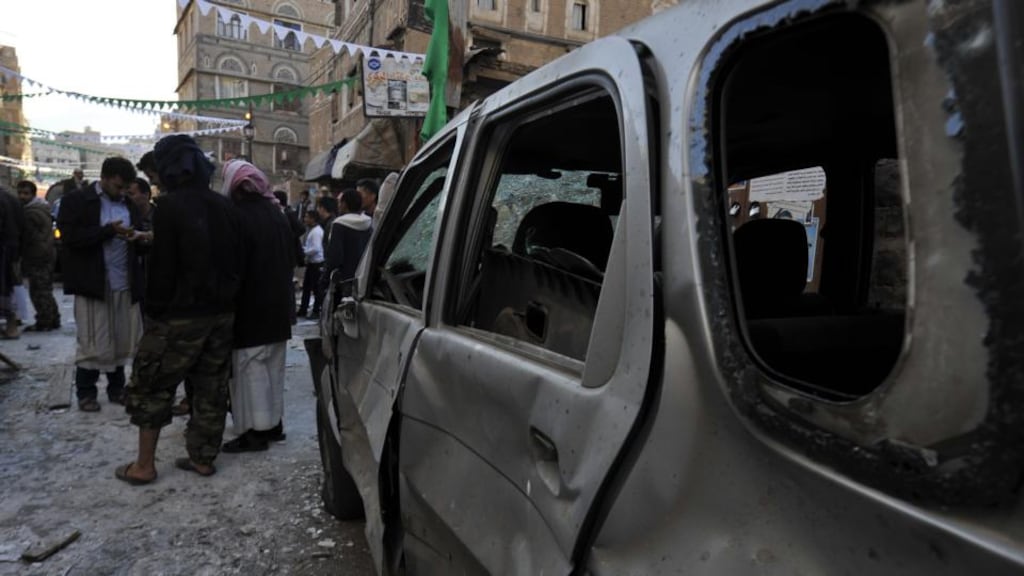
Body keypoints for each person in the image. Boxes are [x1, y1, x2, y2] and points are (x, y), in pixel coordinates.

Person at [117, 135, 242, 483]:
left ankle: (144, 466)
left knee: (152, 385)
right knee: (210, 386)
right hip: (221, 314)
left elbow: (163, 269)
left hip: (178, 316)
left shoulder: (170, 208)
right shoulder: (225, 206)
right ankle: (203, 459)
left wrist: (155, 314)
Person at [57, 157, 145, 411]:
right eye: (117, 186)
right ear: (104, 178)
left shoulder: (128, 204)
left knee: (120, 338)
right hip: (93, 282)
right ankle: (86, 392)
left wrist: (138, 238)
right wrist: (106, 231)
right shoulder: (77, 201)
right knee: (93, 339)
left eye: (125, 188)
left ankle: (116, 388)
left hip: (123, 281)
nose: (121, 192)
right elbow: (71, 239)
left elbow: (137, 234)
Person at [220, 160, 295, 453]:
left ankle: (255, 432)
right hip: (278, 304)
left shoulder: (236, 217)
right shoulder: (276, 213)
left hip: (252, 306)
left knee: (250, 370)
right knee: (273, 369)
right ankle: (273, 425)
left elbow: (234, 266)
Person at [15, 181, 59, 331]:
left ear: (33, 194)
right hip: (46, 253)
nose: (22, 196)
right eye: (20, 193)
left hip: (38, 256)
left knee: (38, 290)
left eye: (26, 193)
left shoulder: (30, 213)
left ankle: (45, 321)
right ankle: (53, 319)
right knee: (45, 289)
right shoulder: (41, 208)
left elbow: (28, 238)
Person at [322, 189, 372, 302]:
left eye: (340, 202)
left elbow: (334, 256)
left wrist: (325, 278)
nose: (338, 205)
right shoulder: (369, 223)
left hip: (343, 281)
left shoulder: (339, 225)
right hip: (364, 279)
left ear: (344, 204)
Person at [0, 187, 22, 339]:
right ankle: (11, 326)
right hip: (11, 248)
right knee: (8, 287)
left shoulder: (4, 199)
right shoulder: (11, 198)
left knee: (4, 288)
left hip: (3, 249)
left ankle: (11, 327)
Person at [297, 210, 324, 319]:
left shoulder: (316, 232)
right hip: (312, 263)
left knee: (315, 288)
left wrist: (304, 252)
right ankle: (303, 309)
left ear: (313, 219)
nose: (305, 219)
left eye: (307, 217)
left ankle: (316, 310)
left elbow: (316, 248)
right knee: (307, 287)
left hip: (316, 264)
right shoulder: (313, 230)